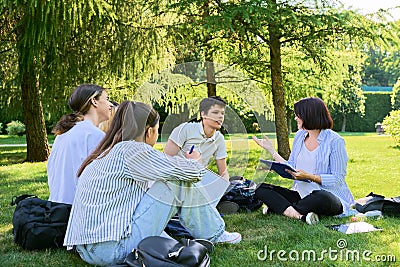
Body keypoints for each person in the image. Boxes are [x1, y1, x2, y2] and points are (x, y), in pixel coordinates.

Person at [64, 101, 241, 266]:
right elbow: (188, 173)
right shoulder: (133, 149)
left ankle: (175, 241)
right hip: (111, 250)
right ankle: (216, 234)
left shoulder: (107, 151)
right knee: (177, 181)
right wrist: (195, 161)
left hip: (87, 248)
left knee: (164, 184)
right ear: (149, 132)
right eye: (157, 130)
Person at [253, 97, 354, 225]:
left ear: (309, 115)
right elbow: (291, 166)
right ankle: (299, 215)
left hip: (329, 196)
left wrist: (309, 177)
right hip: (301, 194)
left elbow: (338, 178)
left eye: (298, 115)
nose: (296, 118)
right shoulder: (300, 136)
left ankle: (281, 208)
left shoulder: (335, 141)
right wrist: (272, 152)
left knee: (320, 197)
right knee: (260, 187)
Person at [47, 84, 112, 204]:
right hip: (77, 213)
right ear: (94, 101)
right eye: (107, 99)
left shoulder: (63, 134)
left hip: (55, 209)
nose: (111, 105)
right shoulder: (94, 135)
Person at [164, 96, 229, 180]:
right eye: (215, 112)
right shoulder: (185, 129)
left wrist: (225, 187)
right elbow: (165, 161)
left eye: (222, 113)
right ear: (203, 114)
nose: (220, 116)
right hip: (174, 180)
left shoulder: (219, 138)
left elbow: (223, 173)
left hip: (196, 183)